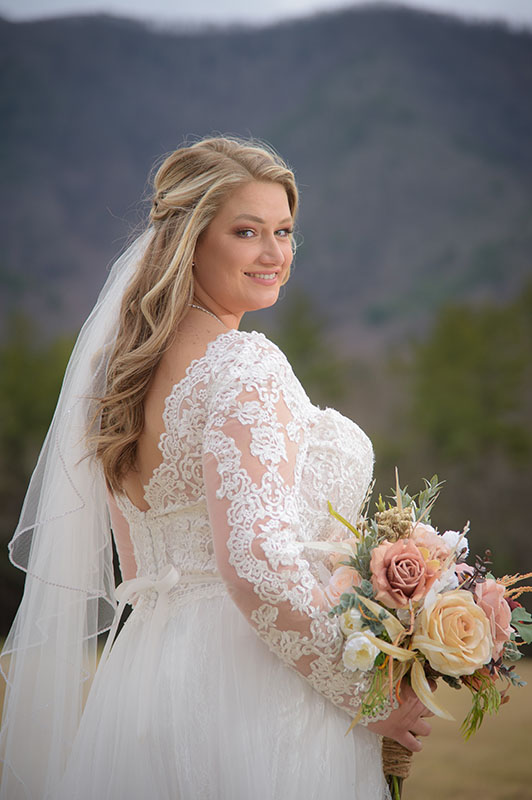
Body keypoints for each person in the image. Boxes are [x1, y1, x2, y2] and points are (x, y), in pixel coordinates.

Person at [0, 135, 431, 800]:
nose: (274, 254)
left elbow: (138, 573)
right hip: (257, 693)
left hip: (143, 679)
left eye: (284, 231)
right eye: (246, 231)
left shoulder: (119, 381)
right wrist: (366, 695)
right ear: (190, 240)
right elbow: (256, 558)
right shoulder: (245, 365)